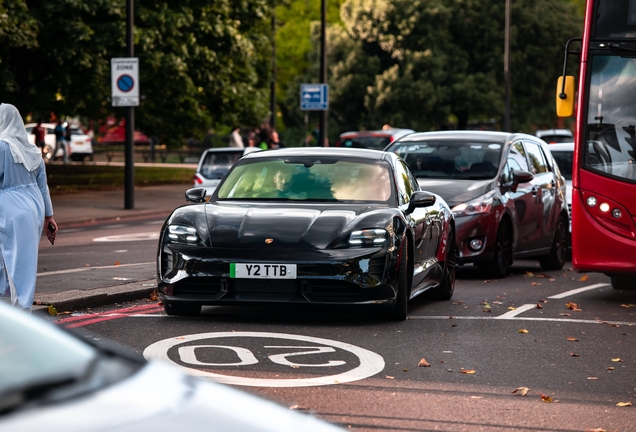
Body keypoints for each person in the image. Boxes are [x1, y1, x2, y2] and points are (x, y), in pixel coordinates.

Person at [0, 103, 58, 311]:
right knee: (22, 259)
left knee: (12, 258)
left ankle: (21, 309)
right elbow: (43, 186)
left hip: (9, 207)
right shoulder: (32, 150)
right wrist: (48, 217)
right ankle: (20, 305)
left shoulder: (2, 147)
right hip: (34, 206)